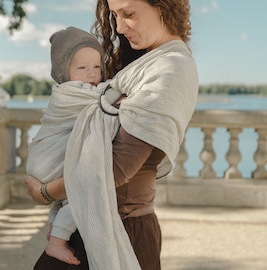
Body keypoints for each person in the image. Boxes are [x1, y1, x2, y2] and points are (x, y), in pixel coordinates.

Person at [25, 0, 199, 269]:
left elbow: (115, 168)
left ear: (163, 7)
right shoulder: (142, 60)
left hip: (121, 224)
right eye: (114, 15)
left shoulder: (170, 68)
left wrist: (45, 193)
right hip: (93, 213)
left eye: (128, 14)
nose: (119, 26)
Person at [26, 26, 110, 265]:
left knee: (64, 201)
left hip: (40, 161)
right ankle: (57, 241)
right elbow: (105, 98)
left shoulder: (69, 89)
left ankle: (54, 228)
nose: (92, 74)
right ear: (64, 72)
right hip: (49, 158)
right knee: (83, 190)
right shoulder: (72, 92)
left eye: (96, 67)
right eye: (82, 68)